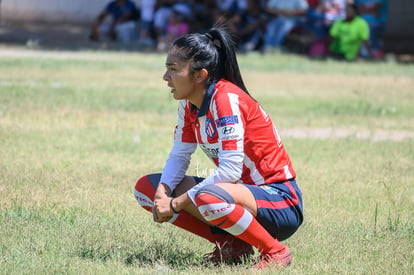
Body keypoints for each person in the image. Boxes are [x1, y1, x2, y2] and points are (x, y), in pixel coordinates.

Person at [134, 25, 303, 269]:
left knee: (207, 196)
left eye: (173, 69)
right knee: (146, 189)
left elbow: (230, 172)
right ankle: (234, 246)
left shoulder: (226, 99)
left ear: (199, 75)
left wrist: (175, 203)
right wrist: (163, 191)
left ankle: (275, 252)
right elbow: (181, 154)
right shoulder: (189, 103)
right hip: (236, 195)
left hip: (280, 202)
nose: (166, 77)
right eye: (166, 69)